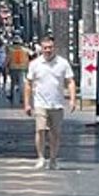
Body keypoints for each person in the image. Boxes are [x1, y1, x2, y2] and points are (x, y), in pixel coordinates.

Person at [23, 34, 75, 169]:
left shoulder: (63, 63)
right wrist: (27, 103)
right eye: (45, 48)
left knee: (55, 133)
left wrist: (72, 99)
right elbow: (28, 84)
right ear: (41, 48)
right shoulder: (35, 64)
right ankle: (40, 157)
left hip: (57, 103)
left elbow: (70, 81)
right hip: (40, 103)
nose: (48, 50)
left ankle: (53, 159)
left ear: (54, 48)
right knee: (40, 130)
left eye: (50, 47)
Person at [7, 36, 30, 102]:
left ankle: (11, 95)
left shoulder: (10, 49)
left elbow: (8, 59)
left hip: (13, 68)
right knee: (21, 84)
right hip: (22, 68)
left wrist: (5, 66)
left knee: (12, 83)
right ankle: (22, 98)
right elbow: (29, 57)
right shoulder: (25, 50)